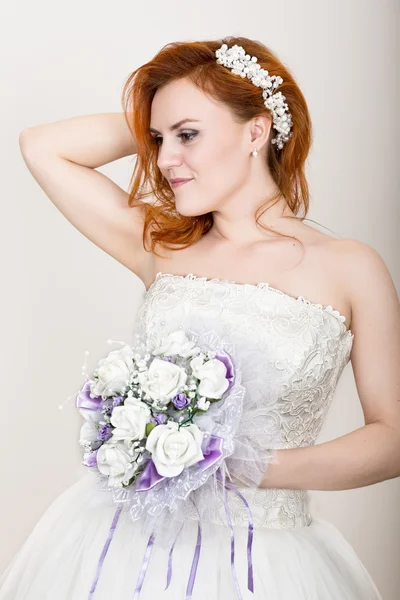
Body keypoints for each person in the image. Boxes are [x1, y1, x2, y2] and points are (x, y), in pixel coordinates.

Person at [2, 35, 399, 600]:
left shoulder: (350, 267)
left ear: (256, 131)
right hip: (124, 552)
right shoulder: (159, 245)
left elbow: (393, 438)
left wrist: (242, 465)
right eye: (157, 139)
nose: (163, 160)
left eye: (187, 135)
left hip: (266, 558)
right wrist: (160, 114)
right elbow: (41, 145)